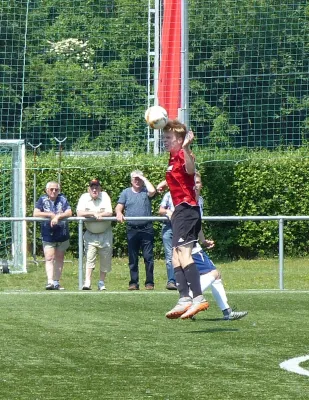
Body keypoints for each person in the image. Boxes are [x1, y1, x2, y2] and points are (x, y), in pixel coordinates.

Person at [157, 120, 209, 319]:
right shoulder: (172, 157)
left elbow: (189, 169)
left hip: (187, 209)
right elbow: (178, 175)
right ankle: (184, 298)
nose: (165, 141)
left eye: (169, 138)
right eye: (164, 137)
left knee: (184, 254)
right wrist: (164, 183)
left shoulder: (182, 153)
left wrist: (187, 148)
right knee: (175, 256)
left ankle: (198, 298)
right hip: (180, 210)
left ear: (180, 140)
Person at [115, 170, 156, 290]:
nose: (137, 181)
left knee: (148, 257)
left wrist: (143, 178)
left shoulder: (146, 191)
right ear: (131, 181)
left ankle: (149, 283)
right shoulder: (126, 192)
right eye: (135, 179)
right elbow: (119, 206)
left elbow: (153, 191)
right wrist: (118, 213)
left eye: (139, 179)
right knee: (133, 258)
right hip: (132, 228)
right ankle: (133, 282)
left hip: (146, 228)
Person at [33, 181, 72, 290]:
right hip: (48, 234)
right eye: (51, 189)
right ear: (47, 190)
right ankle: (50, 281)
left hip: (61, 233)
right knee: (49, 258)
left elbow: (69, 212)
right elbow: (35, 213)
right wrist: (50, 215)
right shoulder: (42, 199)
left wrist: (58, 217)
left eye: (56, 189)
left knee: (59, 258)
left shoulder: (63, 199)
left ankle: (56, 282)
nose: (54, 191)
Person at [76, 179, 113, 291]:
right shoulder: (84, 197)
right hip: (90, 234)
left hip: (105, 233)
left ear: (100, 188)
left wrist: (100, 214)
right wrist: (93, 213)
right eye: (92, 187)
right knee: (89, 257)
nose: (94, 189)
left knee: (105, 259)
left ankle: (101, 282)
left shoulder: (105, 196)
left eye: (96, 187)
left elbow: (109, 212)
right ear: (89, 189)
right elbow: (79, 212)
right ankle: (87, 282)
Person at [158, 192, 177, 290]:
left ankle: (183, 280)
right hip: (168, 226)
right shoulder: (168, 195)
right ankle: (171, 281)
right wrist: (167, 212)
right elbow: (160, 210)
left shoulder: (187, 193)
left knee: (184, 254)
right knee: (170, 256)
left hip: (182, 226)